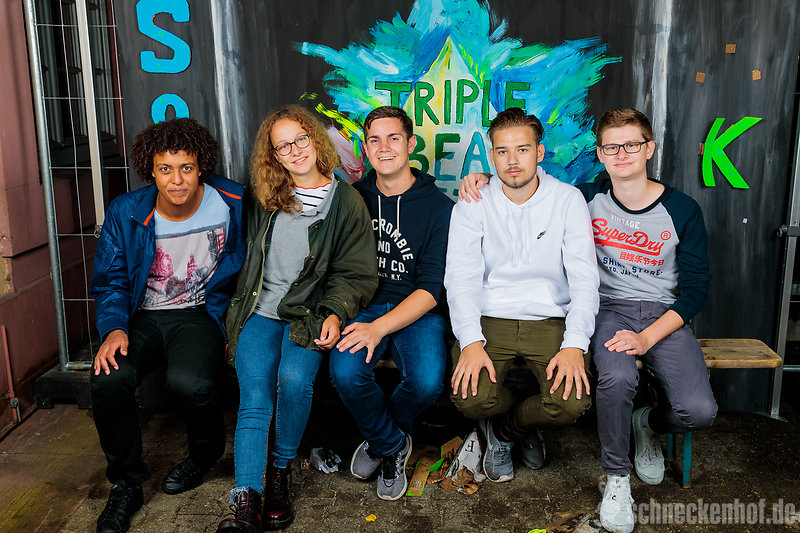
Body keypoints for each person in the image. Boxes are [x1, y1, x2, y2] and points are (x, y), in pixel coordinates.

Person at [460, 108, 717, 533]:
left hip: (662, 314)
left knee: (699, 411)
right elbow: (525, 183)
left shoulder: (681, 209)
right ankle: (617, 479)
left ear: (649, 148)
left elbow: (697, 289)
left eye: (631, 144)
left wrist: (647, 337)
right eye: (611, 147)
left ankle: (646, 424)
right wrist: (486, 179)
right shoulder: (586, 197)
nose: (622, 154)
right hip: (607, 308)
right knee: (616, 379)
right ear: (599, 154)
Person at [217, 105, 377, 532]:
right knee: (255, 397)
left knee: (293, 380)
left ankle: (279, 473)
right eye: (283, 146)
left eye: (300, 139)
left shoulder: (346, 202)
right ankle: (245, 502)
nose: (295, 150)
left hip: (309, 315)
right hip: (260, 310)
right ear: (273, 155)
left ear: (315, 139)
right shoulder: (265, 198)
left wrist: (336, 312)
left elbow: (357, 273)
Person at [90, 118, 245, 533]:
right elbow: (110, 280)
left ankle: (203, 456)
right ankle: (127, 484)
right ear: (151, 170)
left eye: (186, 168)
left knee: (190, 384)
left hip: (199, 313)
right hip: (140, 315)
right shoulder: (126, 211)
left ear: (201, 167)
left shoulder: (233, 201)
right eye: (165, 169)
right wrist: (114, 327)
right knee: (108, 378)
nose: (177, 180)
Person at [446, 107, 598, 484]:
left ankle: (507, 431)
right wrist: (470, 341)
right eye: (502, 151)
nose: (512, 161)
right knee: (470, 398)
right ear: (492, 155)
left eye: (522, 149)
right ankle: (510, 424)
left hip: (549, 318)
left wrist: (575, 344)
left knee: (571, 403)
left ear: (539, 152)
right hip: (490, 317)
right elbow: (461, 278)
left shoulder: (568, 200)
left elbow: (584, 279)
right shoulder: (473, 200)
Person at [328, 106, 453, 501]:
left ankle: (381, 439)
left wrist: (378, 328)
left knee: (427, 381)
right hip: (363, 304)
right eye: (374, 140)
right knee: (345, 372)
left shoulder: (440, 207)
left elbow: (431, 289)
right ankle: (392, 444)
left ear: (410, 144)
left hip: (418, 310)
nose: (384, 147)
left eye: (393, 138)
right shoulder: (352, 199)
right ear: (365, 149)